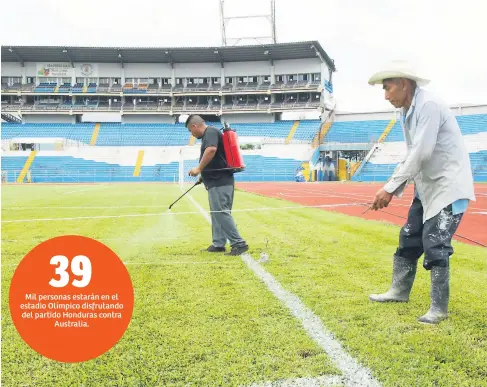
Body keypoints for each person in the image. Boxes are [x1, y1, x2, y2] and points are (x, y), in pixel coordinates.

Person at [367, 60, 475, 324]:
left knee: (435, 243)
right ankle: (398, 291)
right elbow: (412, 155)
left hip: (448, 186)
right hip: (426, 187)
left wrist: (390, 189)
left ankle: (439, 308)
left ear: (404, 84)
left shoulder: (428, 105)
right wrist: (398, 186)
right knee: (409, 237)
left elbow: (421, 153)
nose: (386, 95)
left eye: (388, 88)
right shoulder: (406, 112)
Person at [185, 115, 249, 256]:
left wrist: (199, 169)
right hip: (216, 181)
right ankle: (218, 243)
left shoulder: (211, 132)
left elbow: (211, 150)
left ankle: (239, 243)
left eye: (191, 130)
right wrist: (203, 176)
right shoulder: (211, 133)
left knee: (221, 212)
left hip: (220, 181)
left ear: (195, 126)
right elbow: (217, 158)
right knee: (217, 213)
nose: (192, 134)